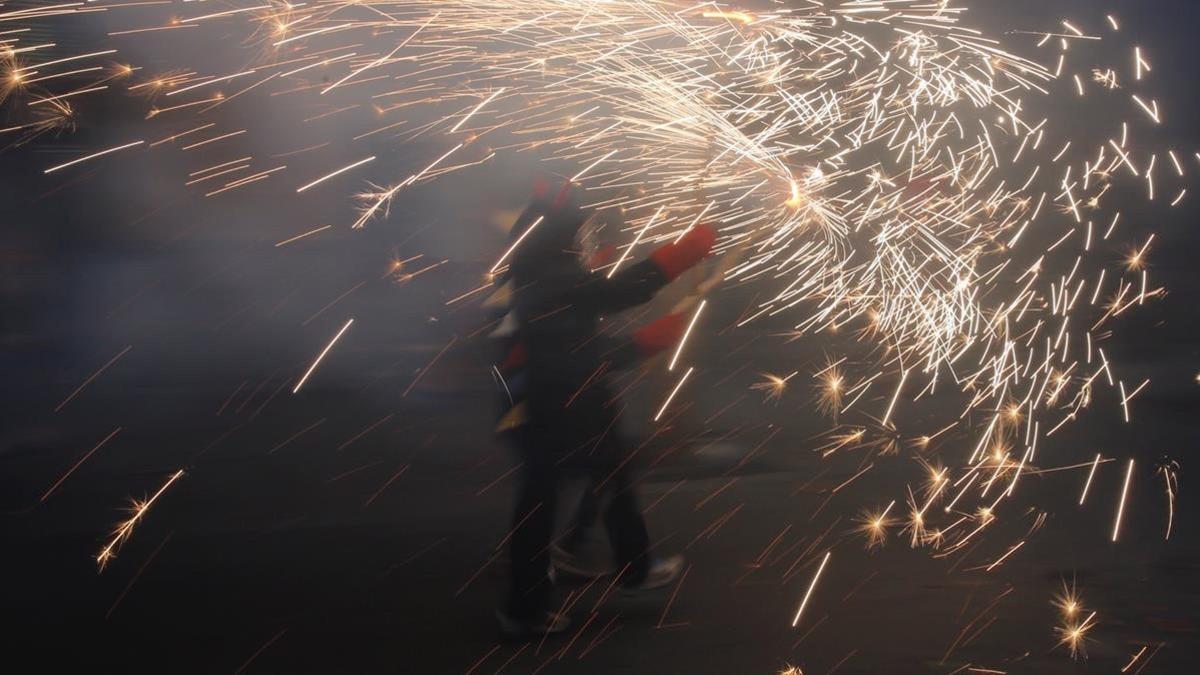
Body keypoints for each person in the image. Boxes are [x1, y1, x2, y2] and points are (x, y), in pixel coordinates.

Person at [489, 179, 717, 637]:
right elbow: (614, 296)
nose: (580, 235)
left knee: (604, 473)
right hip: (555, 398)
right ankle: (526, 609)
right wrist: (676, 258)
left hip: (554, 393)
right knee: (553, 494)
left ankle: (621, 567)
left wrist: (637, 345)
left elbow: (576, 340)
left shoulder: (535, 264)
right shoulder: (547, 269)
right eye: (575, 226)